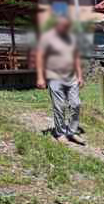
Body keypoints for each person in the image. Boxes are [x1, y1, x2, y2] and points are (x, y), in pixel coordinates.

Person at [35, 16, 84, 145]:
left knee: (76, 104)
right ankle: (60, 133)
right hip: (55, 77)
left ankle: (72, 132)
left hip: (71, 77)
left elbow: (76, 58)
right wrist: (40, 77)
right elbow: (40, 57)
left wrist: (80, 76)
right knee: (59, 106)